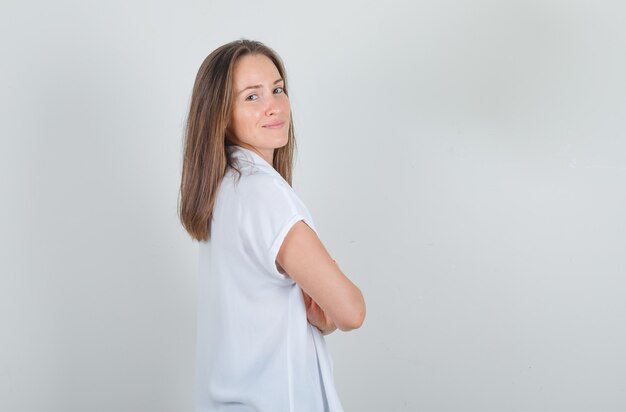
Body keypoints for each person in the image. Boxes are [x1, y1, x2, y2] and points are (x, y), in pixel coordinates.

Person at [178, 39, 366, 412]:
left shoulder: (224, 188)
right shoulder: (264, 194)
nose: (273, 106)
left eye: (277, 89)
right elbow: (351, 310)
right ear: (220, 112)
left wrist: (321, 316)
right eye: (252, 96)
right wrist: (329, 317)